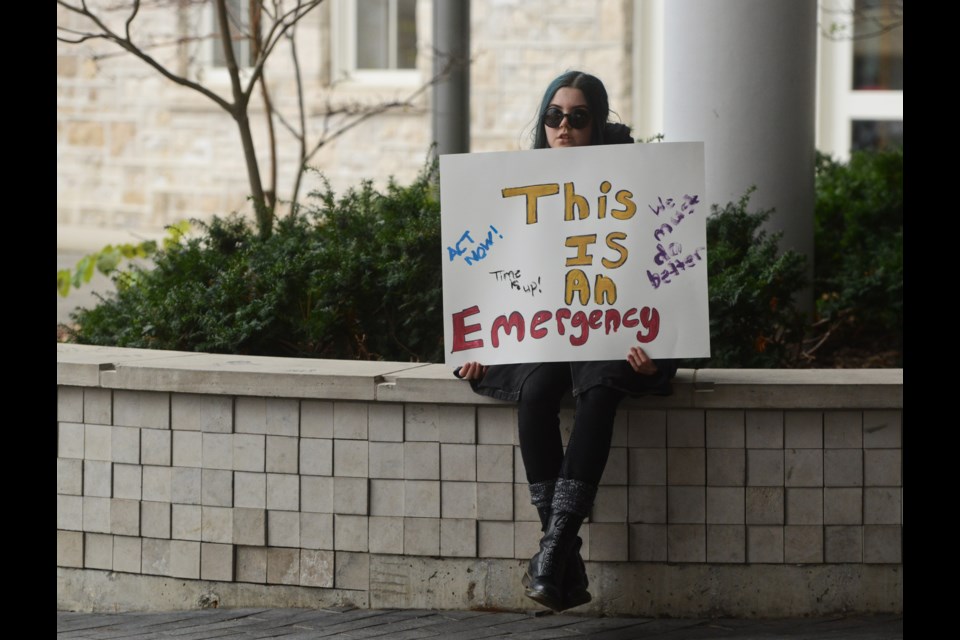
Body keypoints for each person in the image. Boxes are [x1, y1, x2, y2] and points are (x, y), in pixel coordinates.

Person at [455, 71, 678, 612]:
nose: (563, 127)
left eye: (577, 117)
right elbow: (492, 267)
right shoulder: (516, 182)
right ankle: (560, 557)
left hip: (610, 333)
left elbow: (661, 265)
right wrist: (479, 341)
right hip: (548, 333)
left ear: (597, 123)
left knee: (601, 389)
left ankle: (554, 552)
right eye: (554, 116)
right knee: (534, 394)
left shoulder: (634, 179)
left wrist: (660, 350)